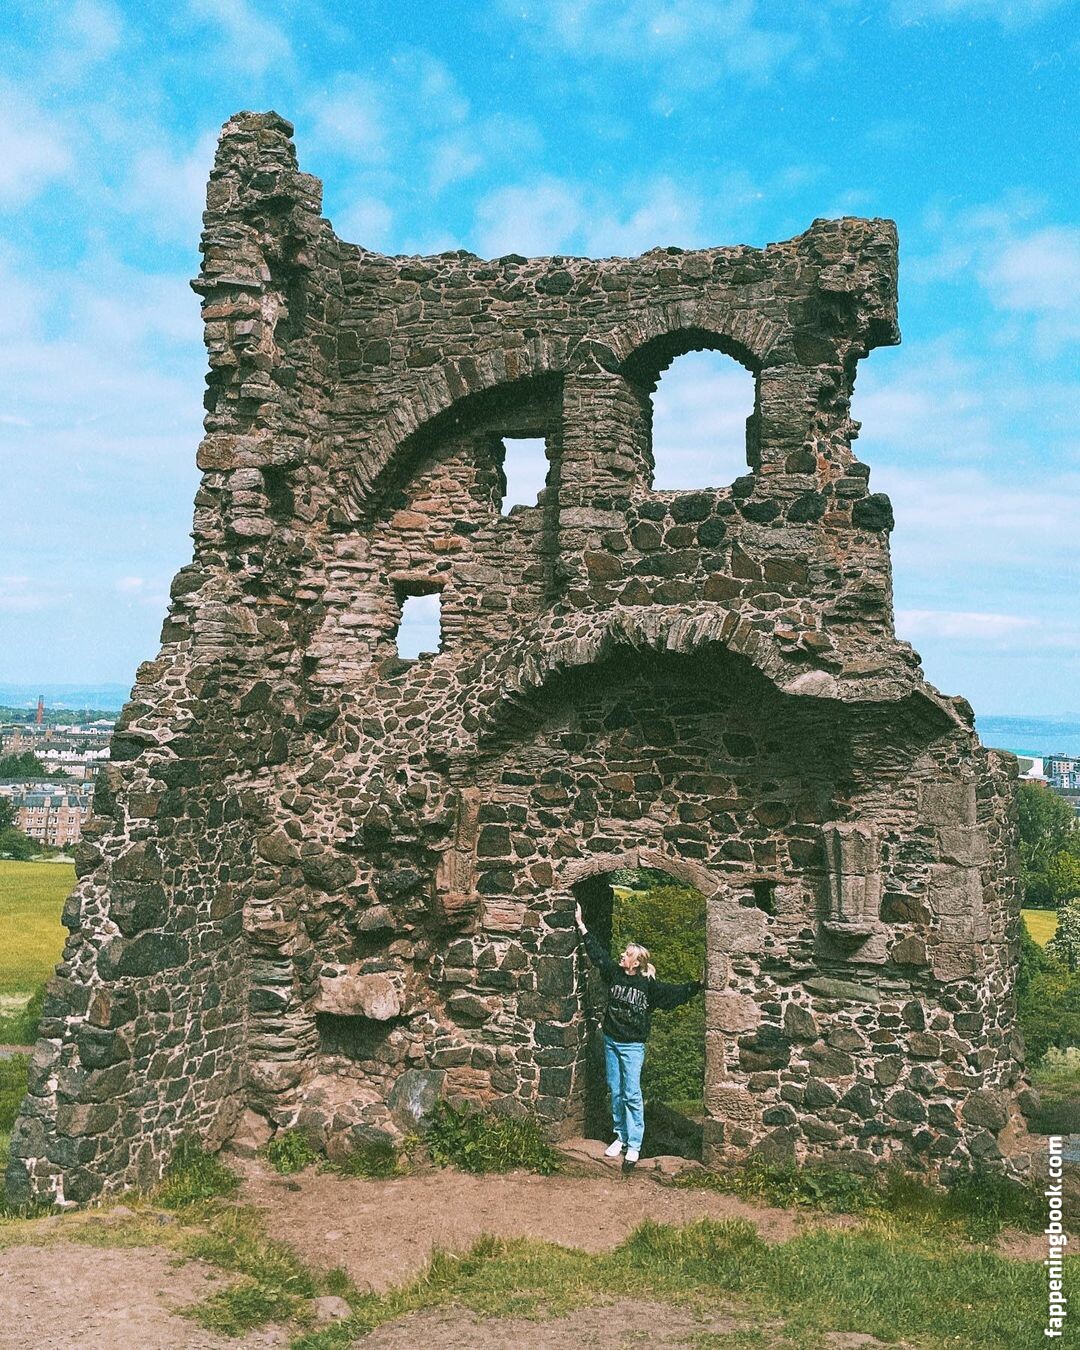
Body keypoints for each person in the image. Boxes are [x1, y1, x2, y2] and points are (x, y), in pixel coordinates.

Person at [574, 900, 704, 1171]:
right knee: (616, 1091)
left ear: (637, 963)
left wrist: (698, 985)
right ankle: (620, 1136)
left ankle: (634, 1145)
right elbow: (598, 955)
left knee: (632, 1093)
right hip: (611, 1042)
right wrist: (582, 925)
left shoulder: (648, 986)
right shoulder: (614, 973)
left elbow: (673, 994)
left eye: (627, 954)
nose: (622, 955)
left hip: (632, 1047)